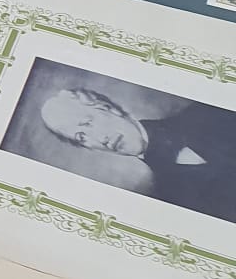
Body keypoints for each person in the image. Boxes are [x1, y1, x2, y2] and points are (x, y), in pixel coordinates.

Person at [36, 82, 236, 219]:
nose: (100, 139)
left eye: (88, 123)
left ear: (107, 108)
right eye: (82, 137)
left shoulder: (209, 113)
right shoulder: (168, 198)